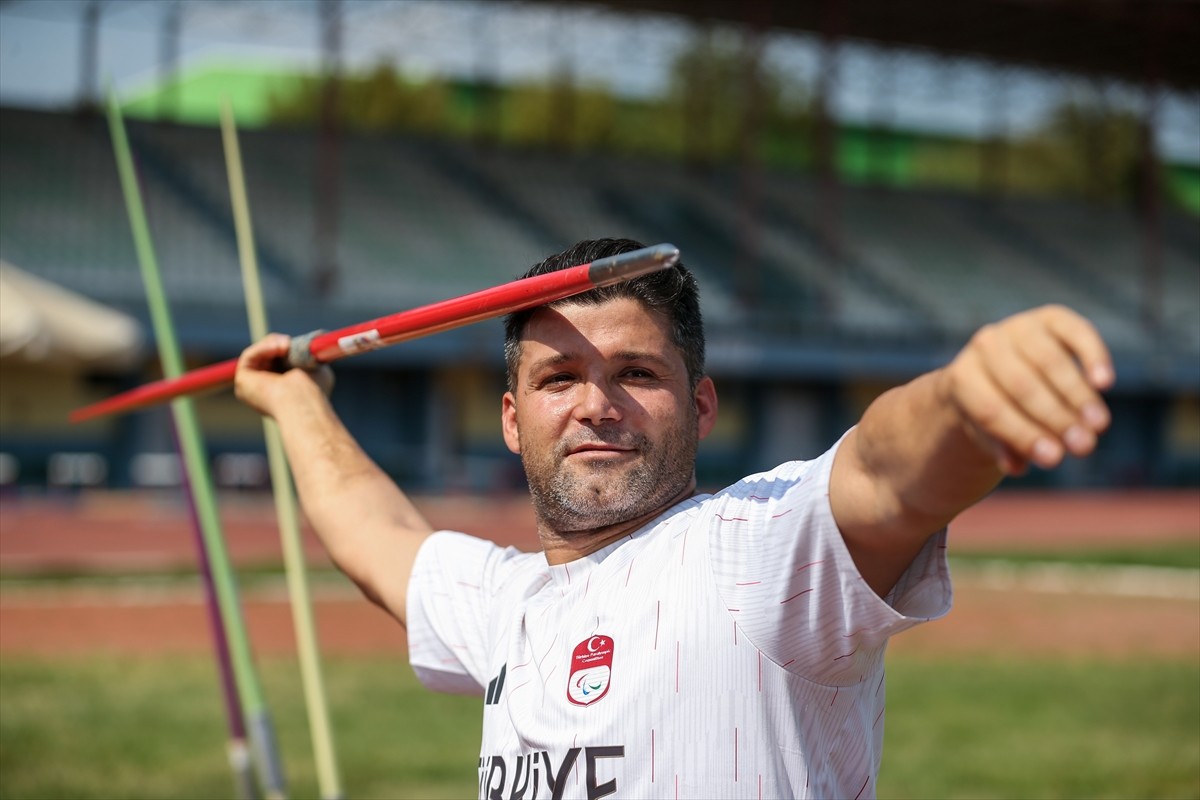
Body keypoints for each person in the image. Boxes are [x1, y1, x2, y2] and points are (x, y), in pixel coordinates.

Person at [234, 238, 1113, 799]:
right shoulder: (506, 604)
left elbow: (884, 474)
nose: (596, 404)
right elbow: (373, 529)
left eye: (636, 374)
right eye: (558, 379)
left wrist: (964, 399)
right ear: (510, 417)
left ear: (701, 406)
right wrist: (293, 403)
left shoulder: (759, 551)